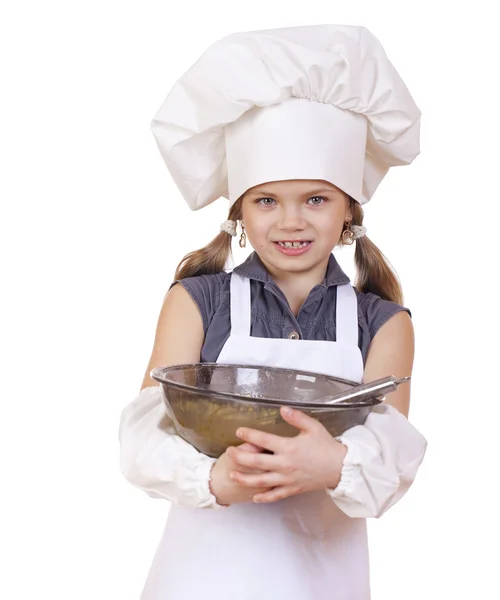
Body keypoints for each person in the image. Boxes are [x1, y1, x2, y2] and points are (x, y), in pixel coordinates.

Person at [119, 24, 428, 600]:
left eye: (316, 198)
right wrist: (216, 477)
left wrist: (332, 464)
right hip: (199, 581)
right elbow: (141, 437)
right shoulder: (195, 300)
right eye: (267, 200)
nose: (291, 222)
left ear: (348, 211)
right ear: (239, 211)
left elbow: (391, 457)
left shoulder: (383, 322)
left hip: (322, 581)